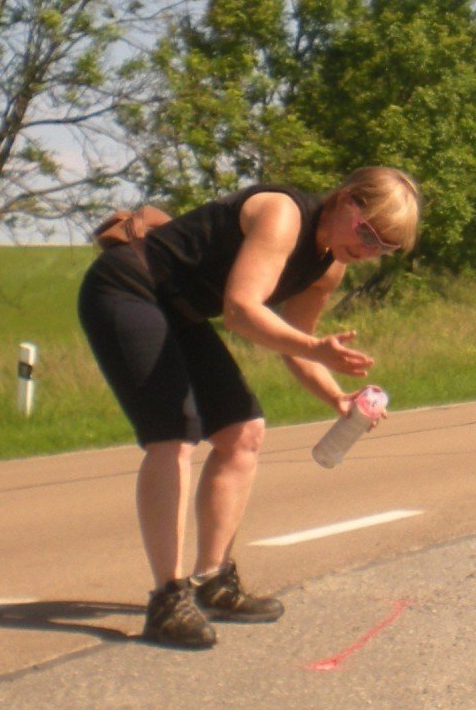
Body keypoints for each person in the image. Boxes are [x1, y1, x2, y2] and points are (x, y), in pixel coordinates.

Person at [78, 167, 421, 649]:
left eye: (383, 248)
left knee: (244, 432)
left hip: (180, 310)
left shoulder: (327, 266)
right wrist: (317, 349)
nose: (368, 251)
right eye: (367, 232)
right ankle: (167, 599)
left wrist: (338, 398)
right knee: (174, 435)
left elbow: (297, 346)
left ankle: (213, 581)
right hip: (128, 287)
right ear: (345, 199)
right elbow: (241, 310)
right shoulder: (282, 214)